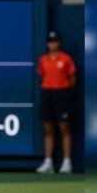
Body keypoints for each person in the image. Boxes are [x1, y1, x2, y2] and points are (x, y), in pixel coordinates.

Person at [35, 31, 76, 174]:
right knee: (48, 129)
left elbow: (72, 80)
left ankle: (67, 162)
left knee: (64, 129)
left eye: (55, 41)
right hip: (47, 94)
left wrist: (63, 92)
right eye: (50, 41)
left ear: (59, 43)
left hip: (62, 94)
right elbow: (42, 76)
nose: (52, 44)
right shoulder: (43, 60)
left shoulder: (66, 59)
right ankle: (48, 162)